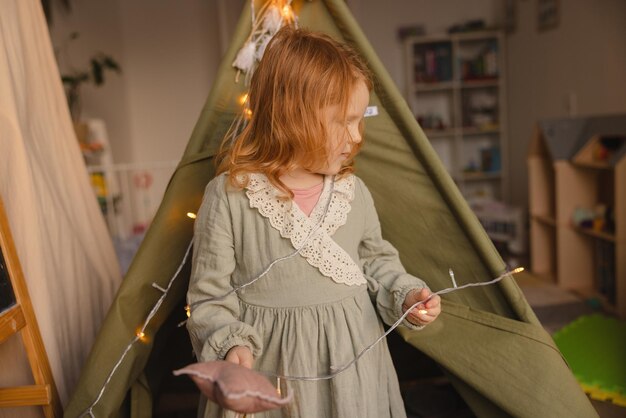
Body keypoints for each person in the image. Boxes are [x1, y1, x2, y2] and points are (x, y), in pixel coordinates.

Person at [186, 26, 441, 418]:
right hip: (273, 375)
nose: (356, 137)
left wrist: (406, 295)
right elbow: (209, 296)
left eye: (360, 120)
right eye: (344, 121)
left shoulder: (353, 193)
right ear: (291, 116)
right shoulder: (230, 197)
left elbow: (376, 262)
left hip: (354, 368)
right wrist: (229, 345)